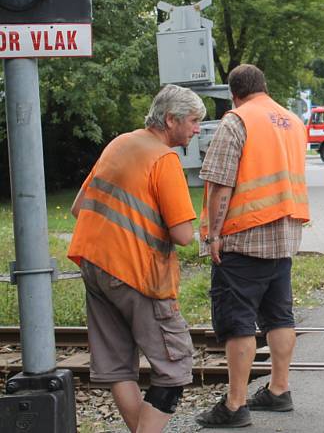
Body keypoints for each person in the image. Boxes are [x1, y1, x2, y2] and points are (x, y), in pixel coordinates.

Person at [67, 85, 206, 432]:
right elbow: (183, 235)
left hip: (94, 264)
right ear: (171, 120)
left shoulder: (120, 143)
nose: (197, 129)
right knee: (175, 369)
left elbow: (76, 208)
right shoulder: (163, 159)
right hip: (135, 273)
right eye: (193, 121)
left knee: (117, 366)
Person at [195, 64, 310, 428]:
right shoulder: (291, 120)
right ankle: (279, 390)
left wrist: (214, 235)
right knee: (280, 315)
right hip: (286, 232)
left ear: (234, 93)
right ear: (264, 87)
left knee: (238, 320)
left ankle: (235, 404)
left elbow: (221, 183)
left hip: (244, 234)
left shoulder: (237, 120)